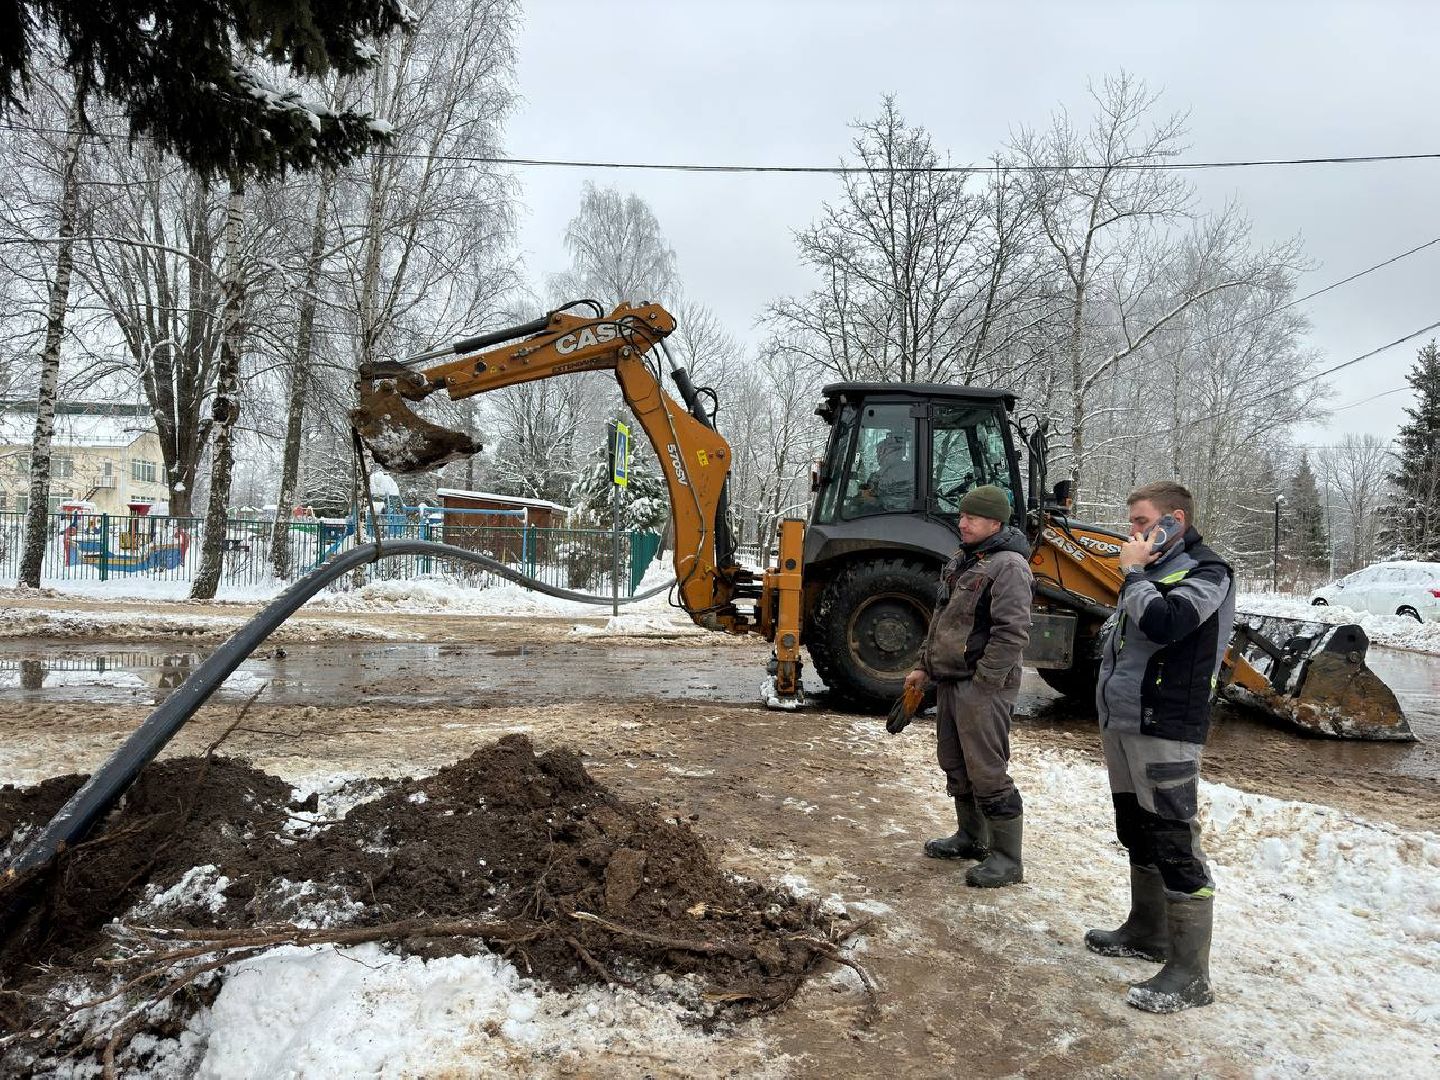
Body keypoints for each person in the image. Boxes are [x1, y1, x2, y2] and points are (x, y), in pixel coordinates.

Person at [1086, 481, 1235, 1013]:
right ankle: (1147, 931)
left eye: (1139, 520)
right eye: (1130, 521)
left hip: (1166, 724)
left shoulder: (1207, 572)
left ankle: (1191, 974)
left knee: (1174, 839)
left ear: (1173, 519)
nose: (1132, 531)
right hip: (1124, 721)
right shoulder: (1152, 572)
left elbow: (1168, 623)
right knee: (1138, 829)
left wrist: (1131, 573)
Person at [902, 484, 1032, 888]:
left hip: (983, 685)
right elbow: (942, 620)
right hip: (951, 679)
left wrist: (985, 682)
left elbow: (1013, 632)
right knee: (956, 762)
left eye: (971, 517)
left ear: (995, 522)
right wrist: (924, 666)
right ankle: (971, 838)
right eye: (961, 516)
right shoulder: (965, 559)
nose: (962, 522)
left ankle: (1008, 859)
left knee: (987, 770)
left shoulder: (1009, 566)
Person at [859, 432, 913, 512]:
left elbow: (898, 499)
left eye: (881, 451)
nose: (878, 455)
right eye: (878, 451)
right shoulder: (878, 474)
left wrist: (872, 500)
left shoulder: (906, 471)